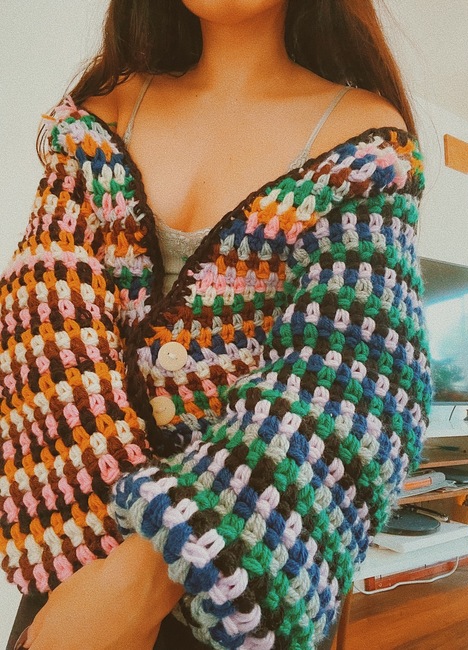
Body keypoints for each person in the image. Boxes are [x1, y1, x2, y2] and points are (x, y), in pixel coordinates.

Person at [1, 1, 432, 648]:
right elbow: (37, 336)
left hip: (238, 586)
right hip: (71, 581)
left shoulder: (363, 142)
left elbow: (358, 383)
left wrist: (142, 581)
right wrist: (92, 583)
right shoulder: (100, 117)